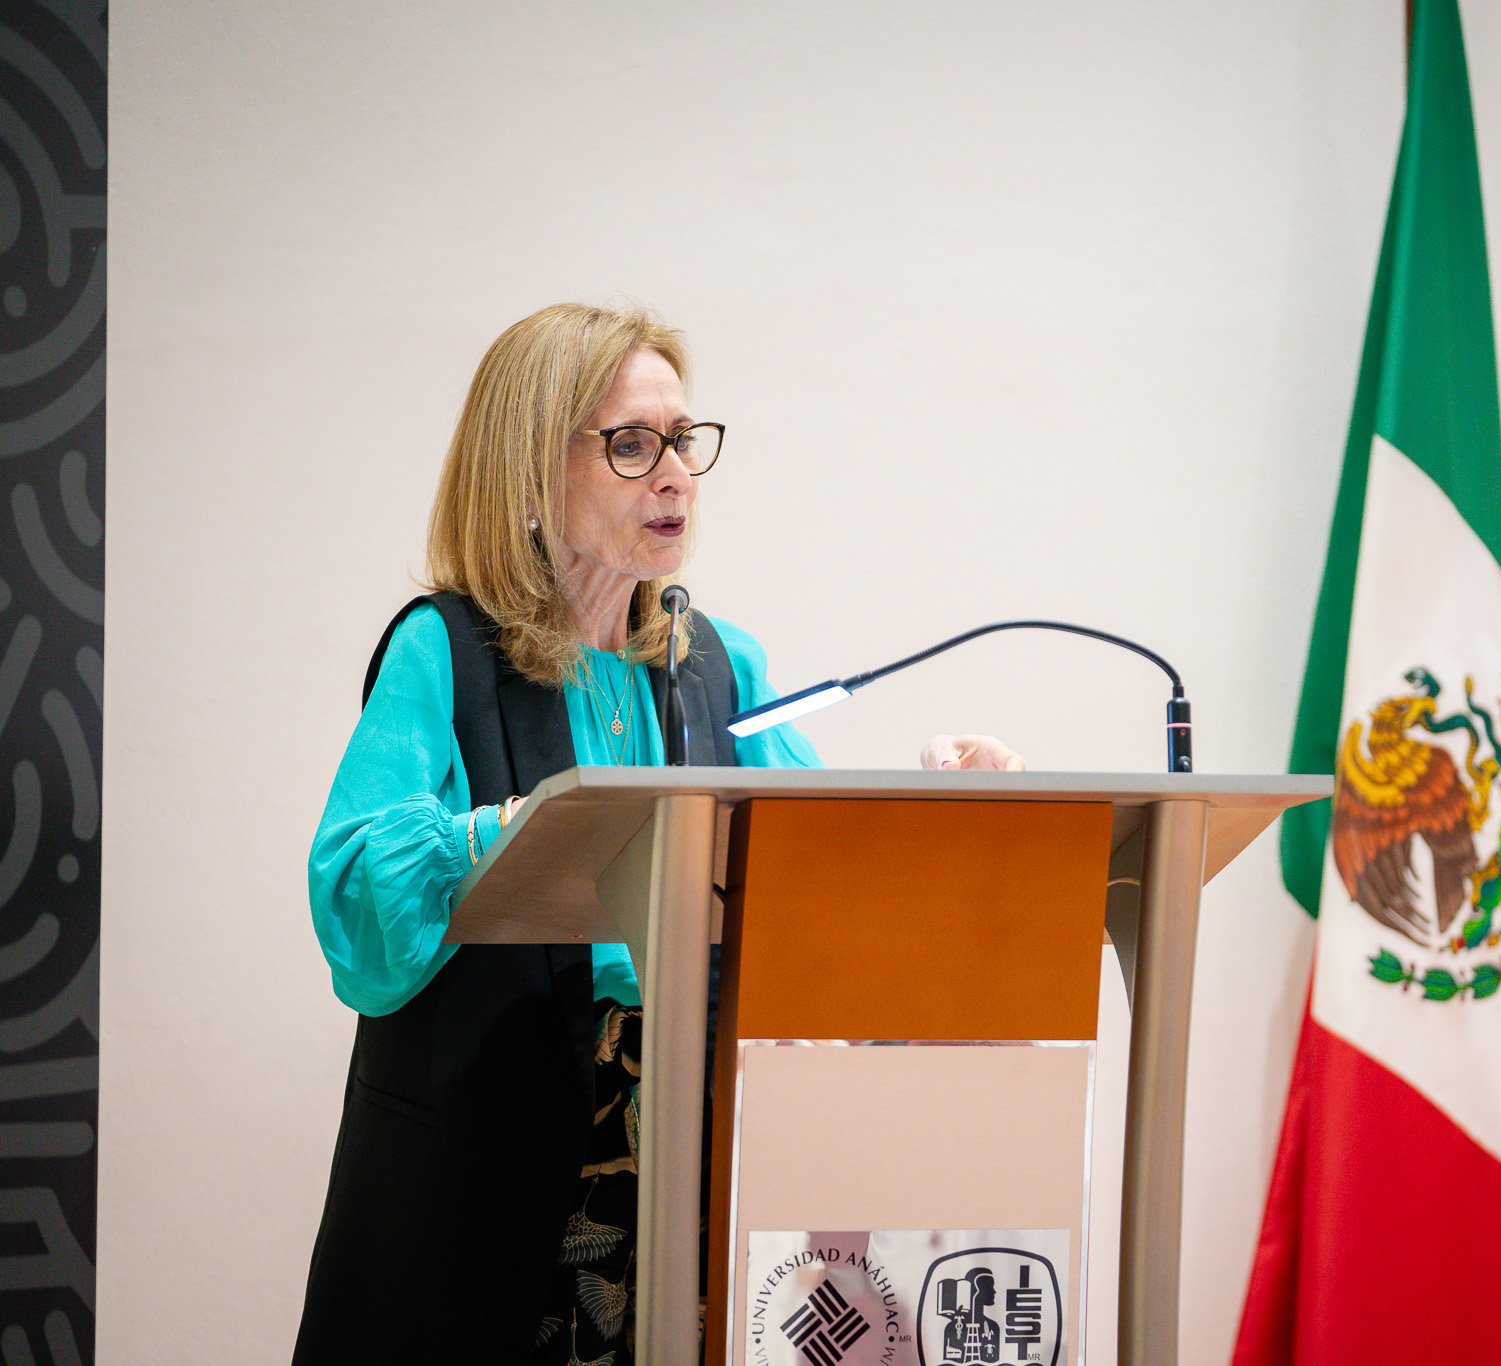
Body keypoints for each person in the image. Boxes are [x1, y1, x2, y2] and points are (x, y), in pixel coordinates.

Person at [293, 303, 1020, 1366]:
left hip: (689, 1124)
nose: (674, 474)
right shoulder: (444, 650)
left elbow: (813, 870)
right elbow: (357, 896)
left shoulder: (717, 664)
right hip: (500, 1159)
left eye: (684, 440)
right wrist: (511, 832)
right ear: (529, 468)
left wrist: (944, 804)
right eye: (632, 444)